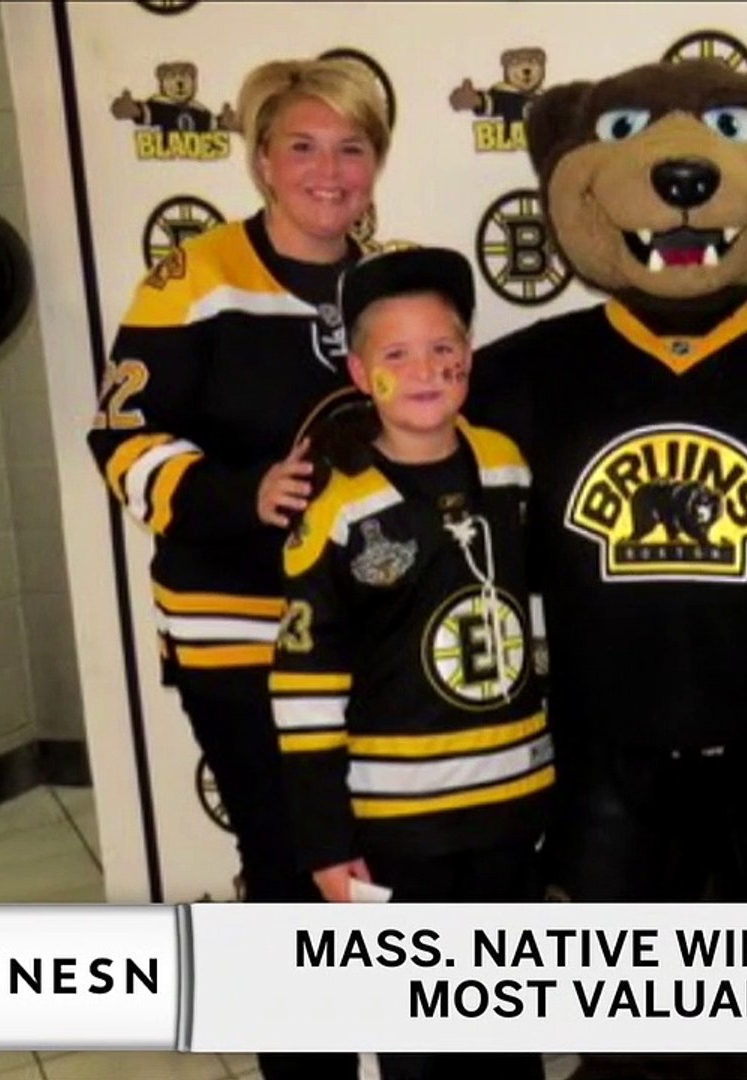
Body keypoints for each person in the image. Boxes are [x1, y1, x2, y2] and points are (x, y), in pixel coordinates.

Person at [85, 54, 389, 1080]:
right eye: (302, 145)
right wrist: (237, 494)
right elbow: (120, 435)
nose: (328, 171)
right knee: (286, 862)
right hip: (237, 631)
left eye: (351, 147)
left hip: (366, 634)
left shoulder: (391, 280)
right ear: (261, 159)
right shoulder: (195, 278)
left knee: (374, 863)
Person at [271, 244, 551, 1080]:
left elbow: (540, 625)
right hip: (398, 826)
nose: (424, 369)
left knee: (508, 1040)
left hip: (511, 810)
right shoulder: (338, 507)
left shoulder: (509, 467)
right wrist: (326, 841)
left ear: (469, 357)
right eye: (396, 354)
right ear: (361, 374)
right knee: (419, 1045)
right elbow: (304, 692)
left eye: (442, 348)